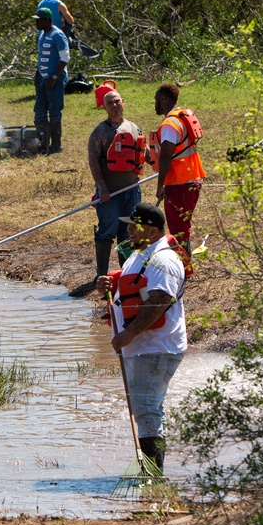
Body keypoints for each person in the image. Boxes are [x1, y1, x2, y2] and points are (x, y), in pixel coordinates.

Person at [95, 202, 186, 474]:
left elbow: (159, 301)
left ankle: (153, 474)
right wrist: (105, 286)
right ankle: (150, 471)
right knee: (146, 408)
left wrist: (129, 334)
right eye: (129, 224)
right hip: (141, 347)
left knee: (146, 409)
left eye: (135, 226)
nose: (129, 230)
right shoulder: (140, 254)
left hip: (157, 346)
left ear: (153, 229)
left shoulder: (163, 259)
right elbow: (130, 288)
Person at [87, 89, 145, 278]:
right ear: (104, 107)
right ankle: (101, 275)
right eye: (110, 103)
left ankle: (126, 273)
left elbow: (144, 154)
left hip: (132, 189)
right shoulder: (100, 131)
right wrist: (101, 187)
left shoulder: (134, 127)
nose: (114, 106)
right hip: (109, 192)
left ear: (123, 102)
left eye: (117, 101)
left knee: (128, 232)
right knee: (107, 231)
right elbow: (94, 161)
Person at [150, 83, 205, 251]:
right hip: (192, 178)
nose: (155, 104)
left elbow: (166, 156)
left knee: (178, 230)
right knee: (182, 226)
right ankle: (183, 267)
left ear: (163, 98)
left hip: (180, 183)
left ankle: (183, 270)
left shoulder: (170, 124)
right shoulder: (181, 118)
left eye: (156, 100)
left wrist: (160, 185)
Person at [32, 7, 70, 154]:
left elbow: (65, 58)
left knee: (54, 112)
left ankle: (56, 145)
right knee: (39, 111)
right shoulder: (41, 35)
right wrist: (38, 75)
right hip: (43, 78)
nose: (36, 24)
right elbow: (41, 57)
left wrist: (54, 77)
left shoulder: (58, 35)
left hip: (55, 79)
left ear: (47, 20)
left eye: (39, 20)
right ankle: (43, 142)